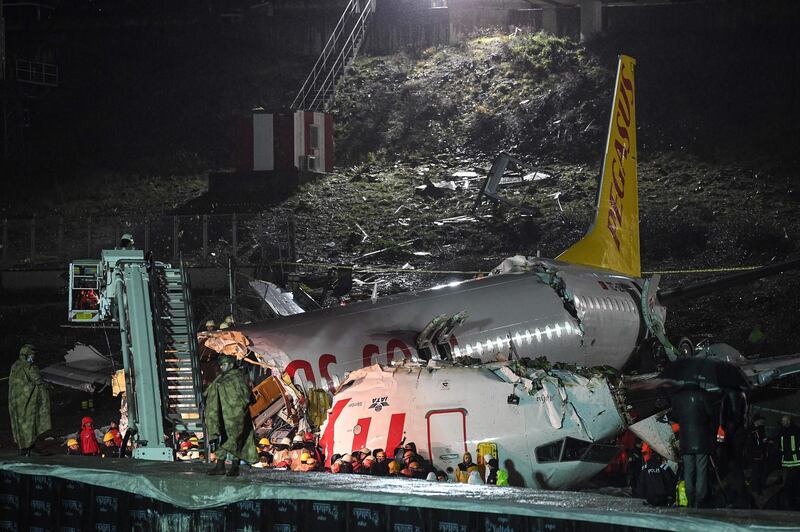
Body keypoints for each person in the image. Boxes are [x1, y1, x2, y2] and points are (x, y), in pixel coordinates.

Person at [204, 356, 258, 477]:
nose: (223, 367)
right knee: (223, 440)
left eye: (225, 364)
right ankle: (220, 465)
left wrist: (237, 408)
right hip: (222, 416)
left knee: (233, 441)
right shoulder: (221, 378)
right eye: (221, 365)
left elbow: (247, 397)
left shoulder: (237, 378)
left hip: (235, 417)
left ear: (231, 365)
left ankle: (234, 467)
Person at [669, 382, 713, 507]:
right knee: (701, 471)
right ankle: (700, 500)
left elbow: (674, 417)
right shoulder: (703, 394)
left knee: (688, 472)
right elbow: (710, 413)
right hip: (702, 439)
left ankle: (689, 501)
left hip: (686, 439)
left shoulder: (678, 396)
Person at [9, 344, 51, 456]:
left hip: (17, 402)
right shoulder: (29, 367)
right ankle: (29, 447)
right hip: (28, 403)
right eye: (32, 355)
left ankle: (25, 447)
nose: (33, 358)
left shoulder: (15, 366)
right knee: (30, 424)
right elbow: (38, 380)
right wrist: (47, 385)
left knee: (22, 424)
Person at [778, 415, 800, 509]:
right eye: (783, 421)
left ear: (789, 421)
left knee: (795, 480)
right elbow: (779, 441)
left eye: (785, 420)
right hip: (786, 460)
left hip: (796, 460)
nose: (784, 422)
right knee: (787, 480)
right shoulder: (781, 431)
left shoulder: (796, 430)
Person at [744, 415, 769, 494]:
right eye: (761, 420)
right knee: (756, 472)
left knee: (759, 471)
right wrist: (762, 442)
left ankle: (755, 486)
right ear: (757, 421)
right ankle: (755, 488)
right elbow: (752, 443)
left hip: (760, 455)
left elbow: (762, 439)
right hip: (755, 455)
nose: (763, 422)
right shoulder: (751, 430)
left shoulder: (761, 429)